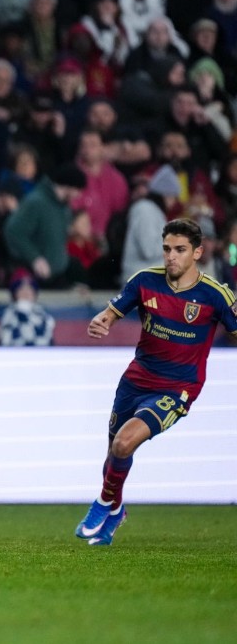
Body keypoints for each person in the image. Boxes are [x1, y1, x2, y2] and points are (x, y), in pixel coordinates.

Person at [77, 219, 237, 546]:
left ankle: (104, 503)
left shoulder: (215, 295)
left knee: (124, 443)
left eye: (180, 250)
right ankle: (118, 509)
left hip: (177, 389)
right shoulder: (145, 282)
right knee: (113, 456)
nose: (171, 257)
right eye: (167, 249)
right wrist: (101, 321)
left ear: (197, 253)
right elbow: (112, 313)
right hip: (135, 380)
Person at [4, 163, 87, 287]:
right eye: (78, 190)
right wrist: (35, 258)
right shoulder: (36, 202)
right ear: (70, 187)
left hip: (57, 276)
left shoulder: (64, 207)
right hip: (34, 278)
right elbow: (14, 231)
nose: (79, 195)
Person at [0, 272, 56, 346]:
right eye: (21, 289)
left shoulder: (43, 315)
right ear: (15, 294)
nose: (26, 293)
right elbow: (5, 340)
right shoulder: (9, 314)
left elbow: (49, 340)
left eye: (29, 289)